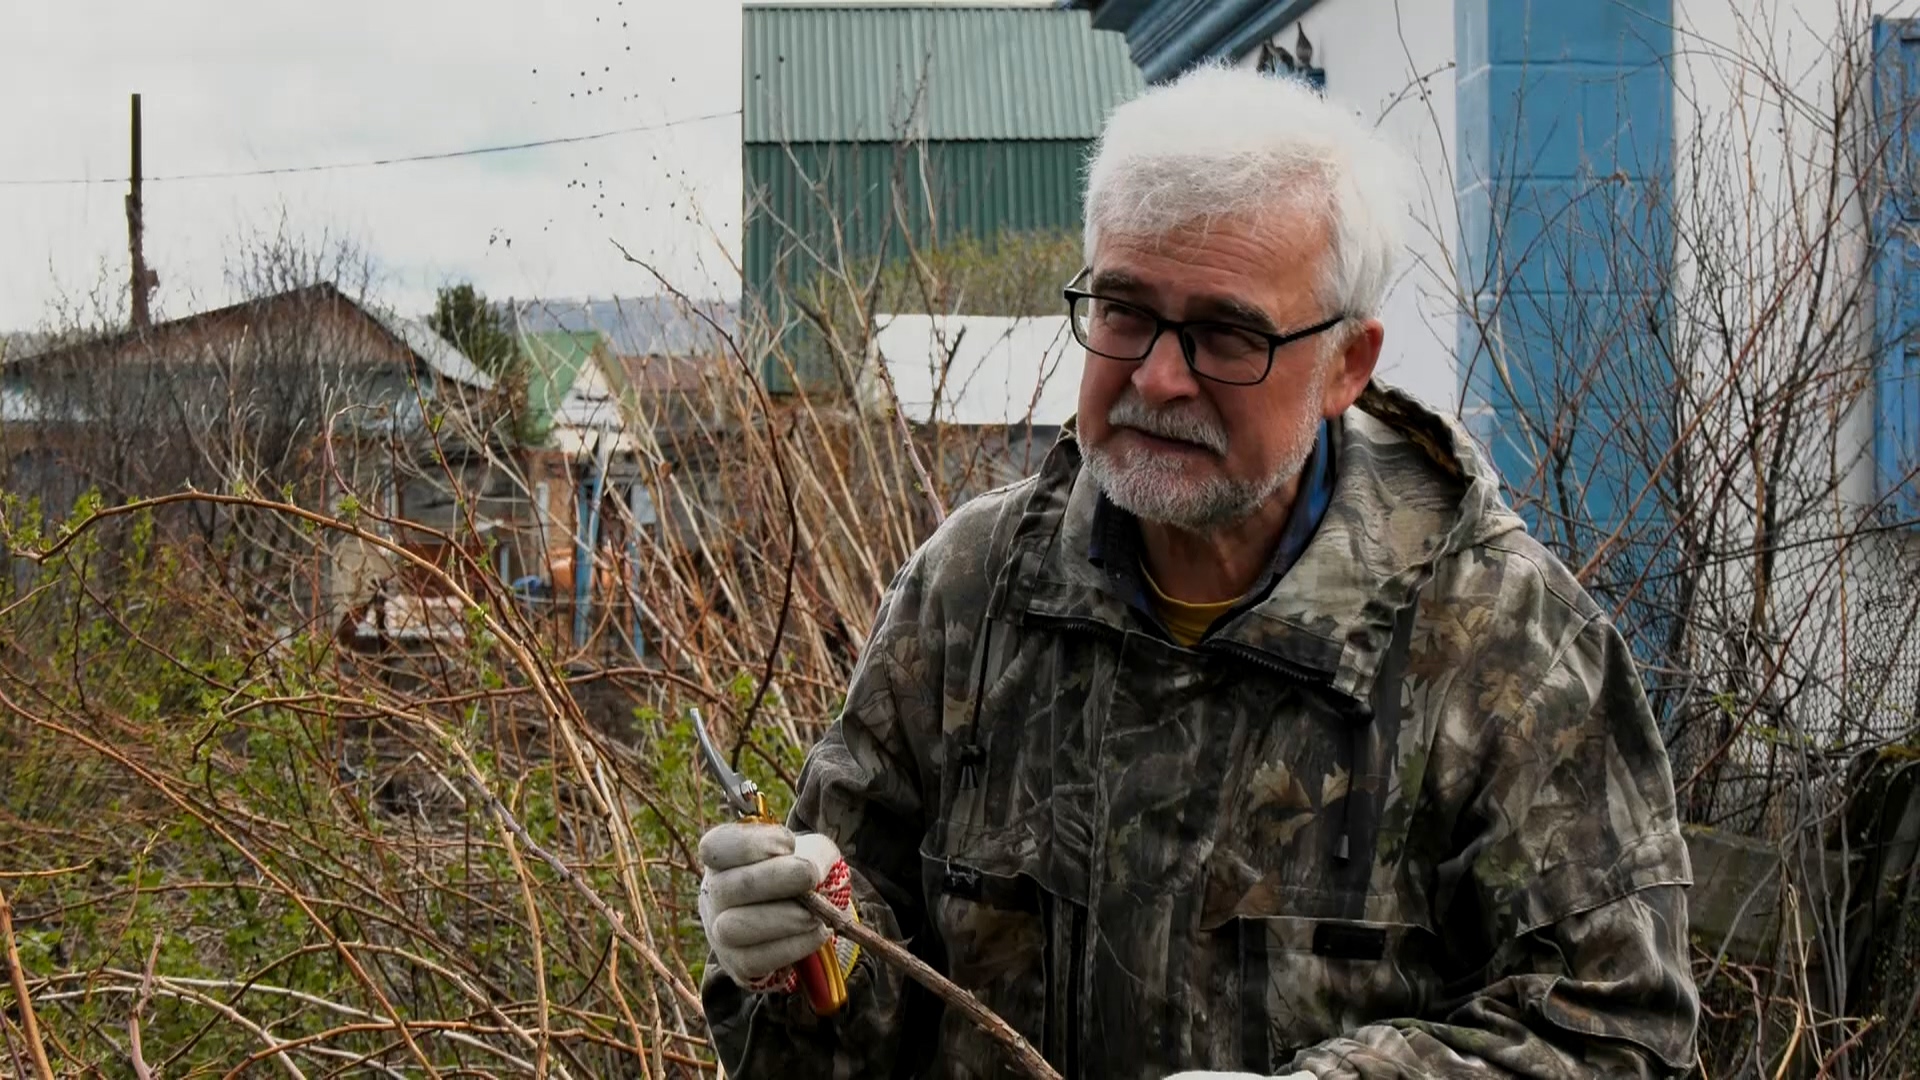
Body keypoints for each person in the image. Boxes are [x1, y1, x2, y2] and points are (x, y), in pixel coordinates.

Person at [696, 63, 1699, 1078]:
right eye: (1124, 312)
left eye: (1226, 333)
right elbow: (850, 1011)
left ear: (1347, 363)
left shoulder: (1499, 643)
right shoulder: (976, 592)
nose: (1159, 377)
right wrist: (803, 955)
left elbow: (1618, 1036)